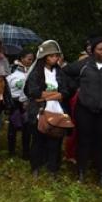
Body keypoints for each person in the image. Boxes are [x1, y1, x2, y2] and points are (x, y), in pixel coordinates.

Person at [64, 37, 102, 185]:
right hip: (85, 109)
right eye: (100, 49)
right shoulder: (84, 64)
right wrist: (75, 88)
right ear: (93, 50)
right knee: (84, 141)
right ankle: (81, 173)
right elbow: (65, 72)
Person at [25, 40, 71, 178]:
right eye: (51, 56)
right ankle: (35, 168)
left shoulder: (59, 72)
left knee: (55, 141)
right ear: (45, 57)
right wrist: (55, 95)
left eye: (56, 56)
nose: (54, 59)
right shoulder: (36, 73)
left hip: (57, 111)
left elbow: (66, 91)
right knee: (38, 140)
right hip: (40, 111)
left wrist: (50, 95)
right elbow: (33, 92)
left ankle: (53, 169)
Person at [6, 51, 34, 159]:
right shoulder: (12, 72)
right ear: (22, 58)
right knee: (12, 128)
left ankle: (26, 153)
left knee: (27, 130)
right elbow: (7, 89)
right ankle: (11, 152)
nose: (30, 61)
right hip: (15, 104)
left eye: (32, 59)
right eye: (28, 59)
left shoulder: (33, 72)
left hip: (27, 104)